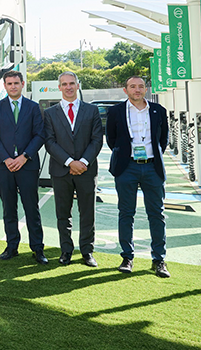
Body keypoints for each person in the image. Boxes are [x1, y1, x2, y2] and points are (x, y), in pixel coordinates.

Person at [106, 76, 170, 278]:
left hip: (152, 168)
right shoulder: (116, 111)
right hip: (127, 168)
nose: (137, 90)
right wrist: (125, 155)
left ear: (145, 89)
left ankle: (159, 259)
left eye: (141, 86)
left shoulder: (158, 111)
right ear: (125, 90)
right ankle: (127, 257)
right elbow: (111, 139)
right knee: (126, 213)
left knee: (157, 214)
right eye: (132, 86)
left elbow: (163, 139)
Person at [43, 71, 103, 267]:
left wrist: (83, 162)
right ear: (59, 87)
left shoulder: (91, 110)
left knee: (87, 213)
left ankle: (87, 251)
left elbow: (96, 140)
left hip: (87, 170)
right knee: (63, 214)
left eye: (72, 83)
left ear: (78, 85)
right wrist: (70, 162)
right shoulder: (50, 113)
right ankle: (66, 250)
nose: (68, 87)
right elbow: (50, 142)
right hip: (61, 171)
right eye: (64, 84)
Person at [0, 71, 47, 264]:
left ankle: (38, 248)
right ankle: (12, 246)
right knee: (8, 208)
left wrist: (24, 157)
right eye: (9, 83)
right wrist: (6, 158)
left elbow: (39, 135)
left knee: (32, 208)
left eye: (16, 83)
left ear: (22, 84)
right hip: (4, 166)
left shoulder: (33, 107)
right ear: (4, 86)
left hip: (27, 165)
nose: (13, 86)